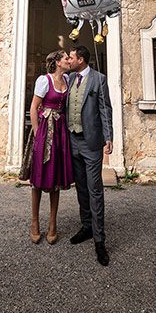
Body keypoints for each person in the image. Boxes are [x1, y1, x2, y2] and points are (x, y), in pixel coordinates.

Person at [65, 44, 112, 266]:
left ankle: (100, 241)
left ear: (81, 59)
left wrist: (108, 136)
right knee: (81, 188)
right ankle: (86, 226)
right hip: (73, 140)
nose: (69, 60)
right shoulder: (69, 79)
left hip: (91, 142)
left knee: (95, 190)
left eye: (71, 57)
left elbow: (105, 108)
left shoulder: (98, 79)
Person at [27, 49, 73, 245]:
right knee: (39, 177)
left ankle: (53, 223)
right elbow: (33, 108)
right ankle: (35, 222)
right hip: (45, 129)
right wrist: (38, 136)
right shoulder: (43, 80)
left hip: (61, 130)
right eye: (65, 58)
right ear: (57, 62)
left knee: (56, 176)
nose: (69, 60)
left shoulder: (68, 80)